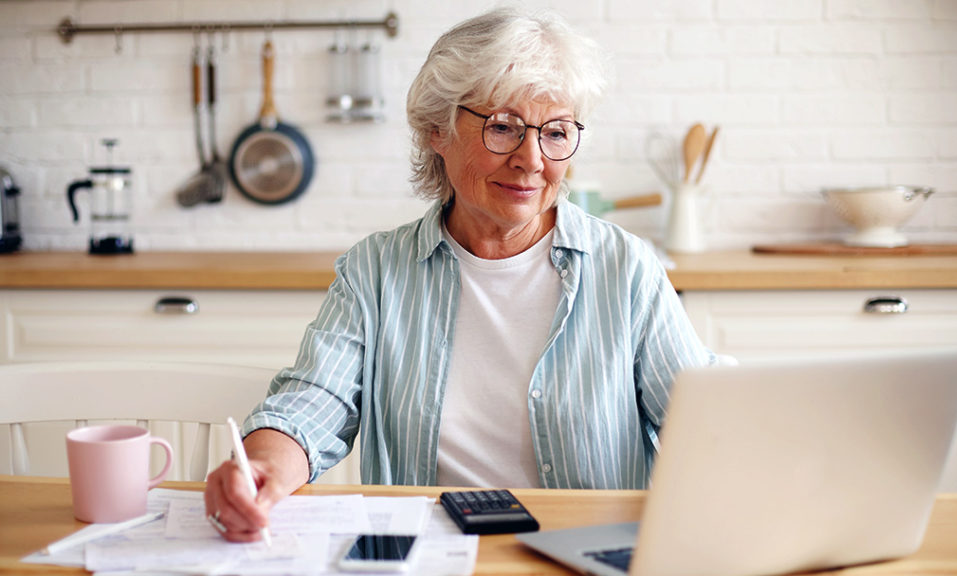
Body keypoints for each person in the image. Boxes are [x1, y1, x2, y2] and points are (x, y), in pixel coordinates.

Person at [204, 6, 718, 542]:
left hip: (590, 553)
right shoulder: (375, 271)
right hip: (428, 554)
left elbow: (703, 414)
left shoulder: (627, 270)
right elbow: (315, 403)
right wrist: (262, 466)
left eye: (556, 132)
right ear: (436, 130)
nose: (532, 159)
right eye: (503, 128)